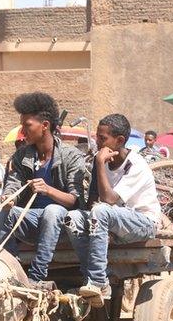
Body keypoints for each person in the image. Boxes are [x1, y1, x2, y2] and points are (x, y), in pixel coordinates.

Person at [65, 114, 161, 307]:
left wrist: (99, 163)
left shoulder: (136, 164)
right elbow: (93, 200)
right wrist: (98, 226)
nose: (97, 142)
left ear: (119, 141)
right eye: (97, 137)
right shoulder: (101, 161)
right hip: (112, 221)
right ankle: (98, 277)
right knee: (72, 218)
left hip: (142, 222)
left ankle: (97, 281)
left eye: (102, 138)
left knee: (101, 211)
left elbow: (108, 199)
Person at [0, 92, 85, 284]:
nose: (22, 132)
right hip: (32, 221)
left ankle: (36, 276)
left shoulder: (71, 156)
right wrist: (9, 197)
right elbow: (13, 183)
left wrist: (48, 190)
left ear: (45, 126)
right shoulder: (21, 156)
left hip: (64, 227)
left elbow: (76, 200)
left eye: (27, 126)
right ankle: (14, 270)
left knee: (52, 210)